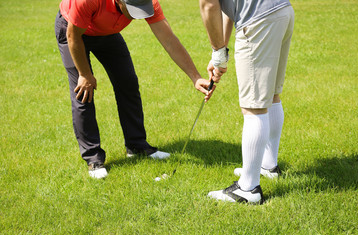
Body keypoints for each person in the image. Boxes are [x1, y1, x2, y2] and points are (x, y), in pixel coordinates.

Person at [55, 0, 214, 179]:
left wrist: (195, 77)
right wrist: (84, 74)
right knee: (83, 92)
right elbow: (72, 36)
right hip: (74, 31)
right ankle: (93, 158)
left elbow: (169, 40)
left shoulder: (150, 2)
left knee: (128, 83)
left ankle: (137, 146)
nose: (137, 15)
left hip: (107, 33)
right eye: (132, 10)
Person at [200, 0, 295, 204]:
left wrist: (218, 53)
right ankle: (268, 166)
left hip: (258, 20)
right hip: (282, 11)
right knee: (270, 96)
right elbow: (228, 7)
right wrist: (221, 52)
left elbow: (209, 4)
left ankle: (248, 189)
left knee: (254, 106)